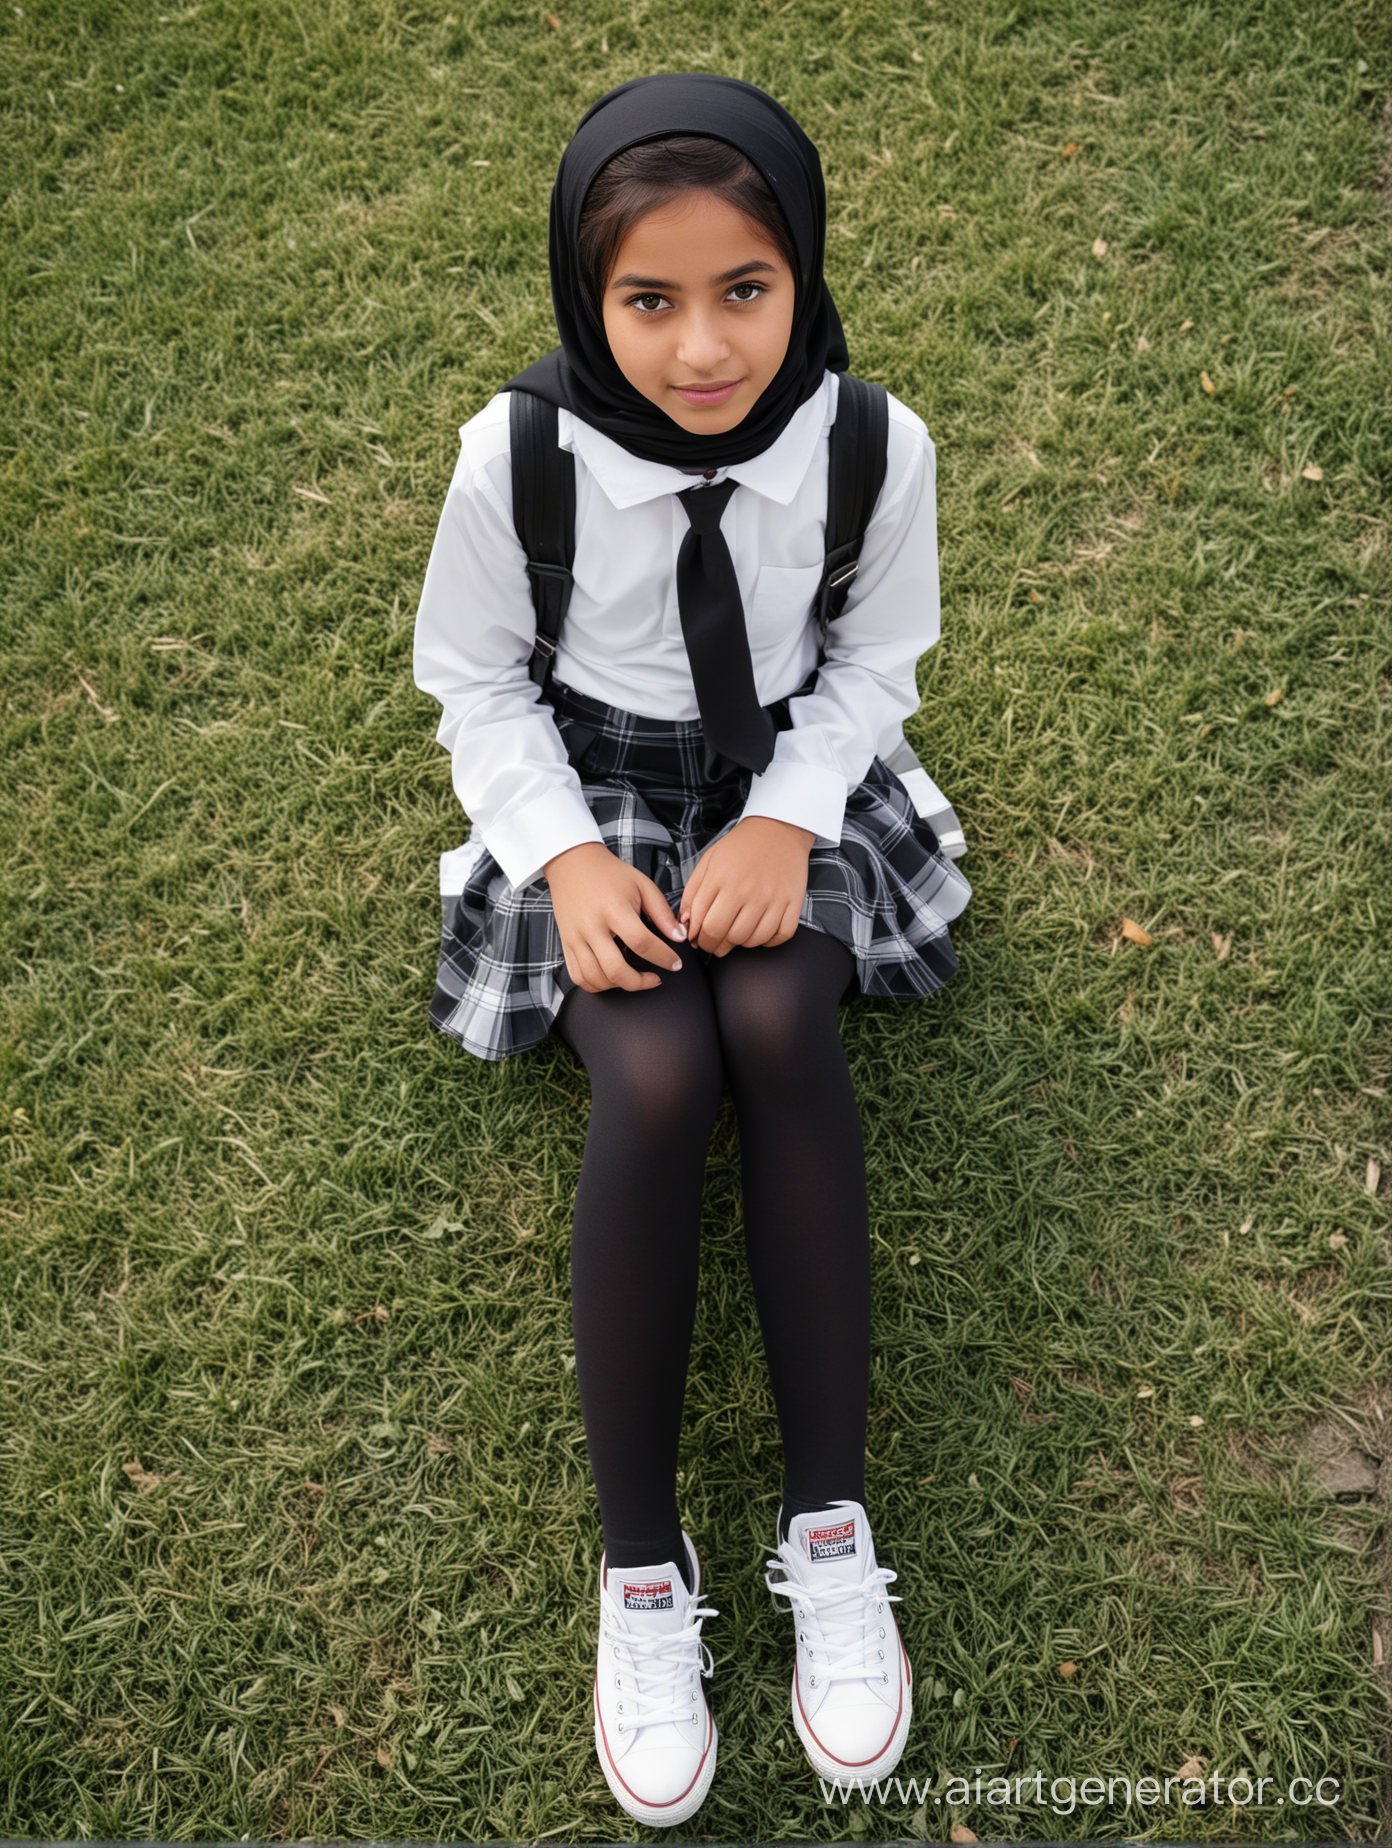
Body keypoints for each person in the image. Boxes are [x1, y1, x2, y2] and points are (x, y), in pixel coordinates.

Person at [413, 73, 971, 1828]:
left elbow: (877, 665)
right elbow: (477, 683)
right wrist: (571, 864)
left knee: (781, 1028)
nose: (703, 345)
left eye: (747, 288)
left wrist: (788, 820)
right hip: (593, 784)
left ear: (803, 274)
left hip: (789, 771)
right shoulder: (518, 455)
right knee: (656, 1073)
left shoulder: (874, 444)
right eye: (648, 301)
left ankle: (830, 1522)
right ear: (590, 300)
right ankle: (642, 1573)